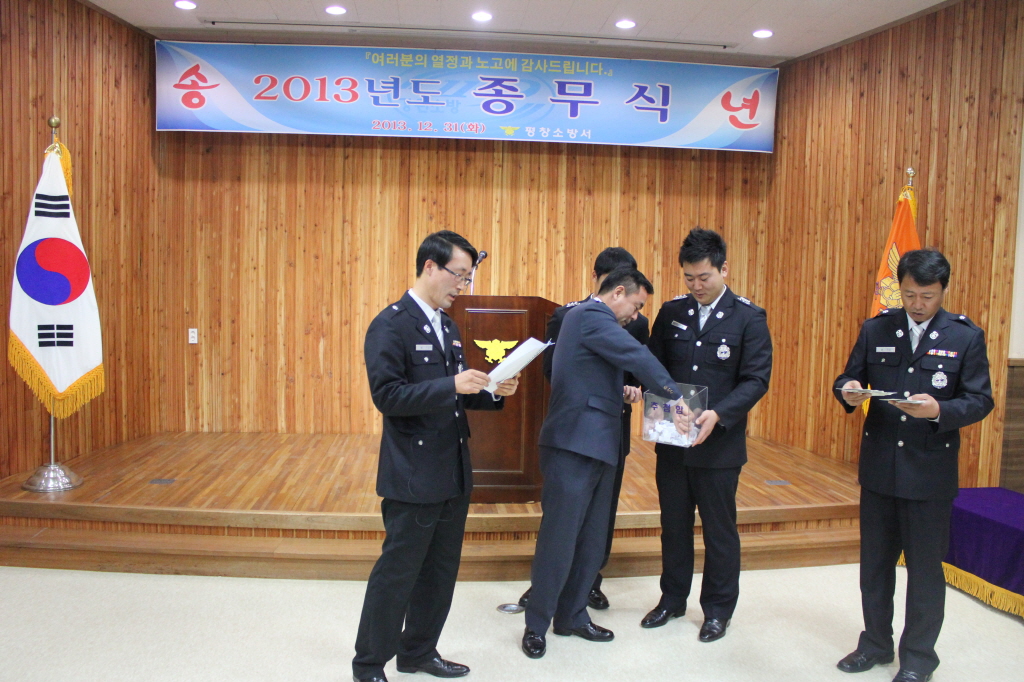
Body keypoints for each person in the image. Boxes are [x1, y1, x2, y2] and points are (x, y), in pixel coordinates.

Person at [354, 231, 520, 682]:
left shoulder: (446, 325)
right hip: (413, 472)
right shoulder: (391, 325)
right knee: (398, 573)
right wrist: (451, 384)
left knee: (440, 572)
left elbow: (457, 393)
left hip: (453, 469)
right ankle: (368, 664)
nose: (462, 286)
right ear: (430, 267)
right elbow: (388, 396)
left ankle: (418, 652)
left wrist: (494, 390)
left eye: (467, 278)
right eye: (458, 275)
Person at [833, 249, 993, 682]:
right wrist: (848, 390)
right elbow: (847, 377)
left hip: (929, 475)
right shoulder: (877, 328)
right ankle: (875, 644)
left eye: (927, 296)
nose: (917, 304)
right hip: (880, 469)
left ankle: (919, 659)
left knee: (924, 573)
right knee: (874, 568)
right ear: (899, 288)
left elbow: (980, 400)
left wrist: (939, 410)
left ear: (943, 291)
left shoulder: (965, 336)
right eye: (909, 294)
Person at [521, 267, 684, 659]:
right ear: (618, 292)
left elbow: (592, 371)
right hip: (574, 445)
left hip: (600, 443)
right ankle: (536, 625)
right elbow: (635, 354)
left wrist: (620, 390)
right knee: (560, 539)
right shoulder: (590, 315)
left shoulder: (593, 323)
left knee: (592, 541)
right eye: (636, 305)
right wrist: (677, 398)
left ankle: (572, 615)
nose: (636, 315)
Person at [643, 227, 773, 642]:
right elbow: (654, 368)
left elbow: (756, 379)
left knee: (719, 530)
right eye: (689, 278)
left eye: (704, 277)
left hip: (719, 445)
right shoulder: (671, 312)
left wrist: (720, 413)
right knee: (673, 525)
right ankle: (672, 599)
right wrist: (664, 406)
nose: (696, 286)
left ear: (724, 269)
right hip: (674, 441)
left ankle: (717, 610)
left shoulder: (748, 317)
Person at [517, 246, 649, 612]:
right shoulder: (567, 315)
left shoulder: (637, 321)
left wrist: (635, 389)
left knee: (600, 515)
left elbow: (640, 368)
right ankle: (547, 585)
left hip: (613, 427)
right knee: (562, 514)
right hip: (575, 427)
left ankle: (589, 581)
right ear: (599, 279)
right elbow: (552, 370)